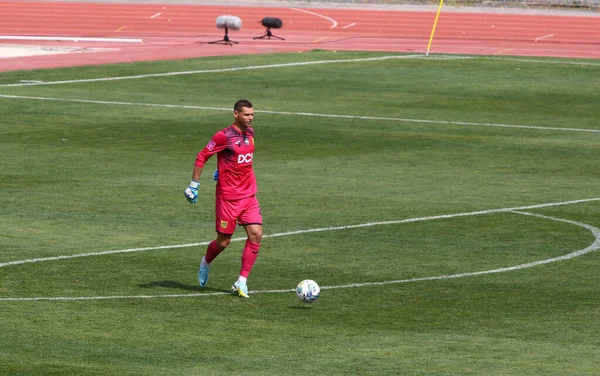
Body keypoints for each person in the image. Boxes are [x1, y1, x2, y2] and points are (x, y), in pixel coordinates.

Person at [184, 99, 262, 299]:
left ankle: (241, 282)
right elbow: (202, 156)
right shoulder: (223, 136)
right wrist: (195, 185)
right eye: (246, 115)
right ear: (235, 114)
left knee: (256, 235)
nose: (250, 118)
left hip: (249, 195)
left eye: (252, 114)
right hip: (228, 198)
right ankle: (205, 263)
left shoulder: (251, 133)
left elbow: (242, 161)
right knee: (224, 242)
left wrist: (223, 170)